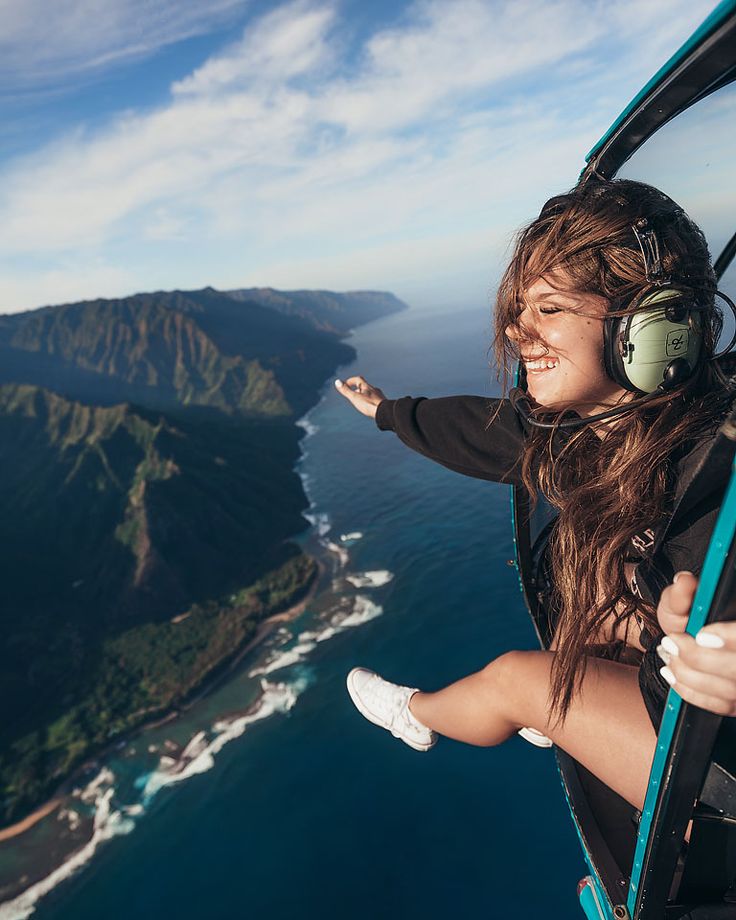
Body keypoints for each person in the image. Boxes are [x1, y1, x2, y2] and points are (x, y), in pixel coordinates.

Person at [334, 178, 736, 814]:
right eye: (520, 309)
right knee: (601, 584)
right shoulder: (582, 435)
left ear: (650, 326)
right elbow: (474, 430)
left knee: (517, 680)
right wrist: (387, 411)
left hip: (712, 784)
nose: (518, 331)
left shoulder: (717, 469)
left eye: (548, 309)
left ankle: (412, 713)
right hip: (678, 723)